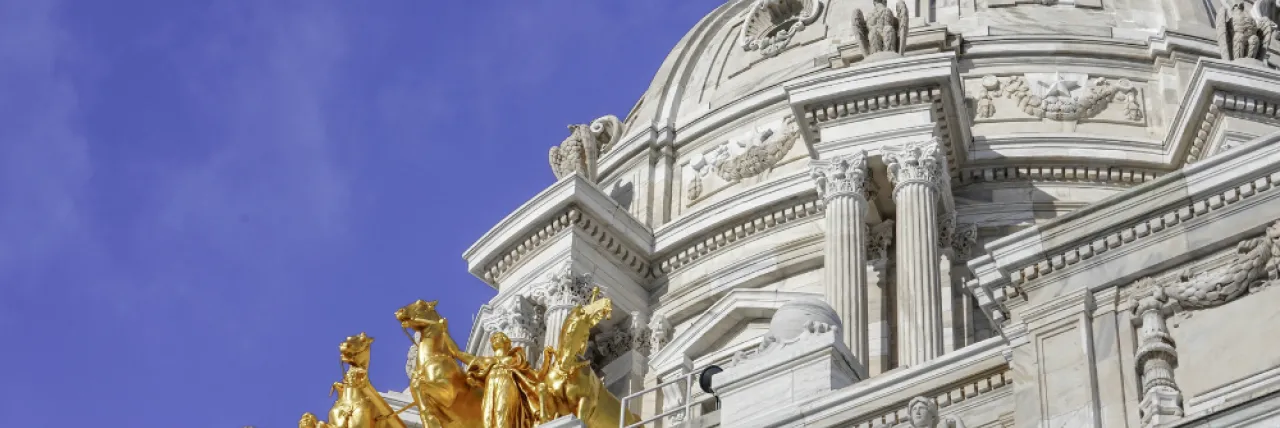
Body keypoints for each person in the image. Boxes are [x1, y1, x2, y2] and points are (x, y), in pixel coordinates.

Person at [466, 332, 543, 428]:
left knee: (501, 413)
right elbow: (461, 355)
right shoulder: (487, 361)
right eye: (493, 338)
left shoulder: (514, 360)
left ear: (507, 342)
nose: (494, 339)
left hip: (507, 384)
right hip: (490, 389)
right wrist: (446, 339)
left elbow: (536, 376)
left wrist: (547, 359)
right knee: (487, 417)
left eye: (498, 337)